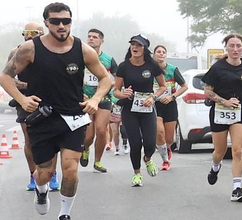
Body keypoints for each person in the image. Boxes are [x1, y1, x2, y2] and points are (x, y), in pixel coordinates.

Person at [0, 3, 112, 220]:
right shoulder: (30, 49)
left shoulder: (82, 49)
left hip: (73, 117)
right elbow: (5, 77)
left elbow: (106, 79)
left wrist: (95, 99)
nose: (61, 25)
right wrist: (21, 99)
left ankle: (64, 216)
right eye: (56, 21)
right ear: (47, 23)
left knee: (70, 171)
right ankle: (41, 190)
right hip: (43, 117)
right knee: (45, 173)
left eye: (66, 21)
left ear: (71, 22)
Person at [202, 32, 242, 202]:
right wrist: (224, 101)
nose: (235, 49)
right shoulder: (218, 68)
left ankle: (237, 189)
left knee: (237, 150)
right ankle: (215, 167)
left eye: (238, 46)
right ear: (226, 47)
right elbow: (207, 91)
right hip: (219, 112)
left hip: (238, 112)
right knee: (219, 151)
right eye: (231, 46)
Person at [111, 35, 164, 186]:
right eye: (133, 44)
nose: (135, 47)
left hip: (147, 109)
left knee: (149, 142)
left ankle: (147, 158)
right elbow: (116, 91)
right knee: (135, 143)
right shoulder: (123, 66)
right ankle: (137, 174)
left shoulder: (152, 65)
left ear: (144, 48)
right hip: (129, 109)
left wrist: (153, 98)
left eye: (138, 45)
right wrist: (123, 94)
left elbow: (163, 86)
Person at [12, 20, 56, 191]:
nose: (30, 37)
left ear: (42, 34)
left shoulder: (51, 52)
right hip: (26, 101)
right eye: (27, 33)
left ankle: (51, 174)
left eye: (34, 33)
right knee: (29, 140)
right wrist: (26, 90)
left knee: (52, 139)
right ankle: (33, 174)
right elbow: (8, 78)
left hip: (48, 100)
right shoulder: (16, 53)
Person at [80, 27, 118, 173]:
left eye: (95, 37)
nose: (91, 39)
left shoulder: (108, 60)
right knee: (89, 136)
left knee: (102, 131)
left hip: (104, 98)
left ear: (102, 41)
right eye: (89, 36)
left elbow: (118, 79)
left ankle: (98, 161)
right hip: (86, 99)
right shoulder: (81, 56)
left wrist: (107, 84)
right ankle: (86, 148)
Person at [152, 44, 187, 170]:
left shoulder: (172, 69)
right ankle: (165, 160)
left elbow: (184, 86)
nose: (161, 54)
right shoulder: (149, 69)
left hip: (170, 104)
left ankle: (167, 148)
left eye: (163, 52)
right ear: (154, 54)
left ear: (166, 55)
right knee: (159, 132)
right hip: (155, 104)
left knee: (169, 137)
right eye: (158, 52)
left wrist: (172, 96)